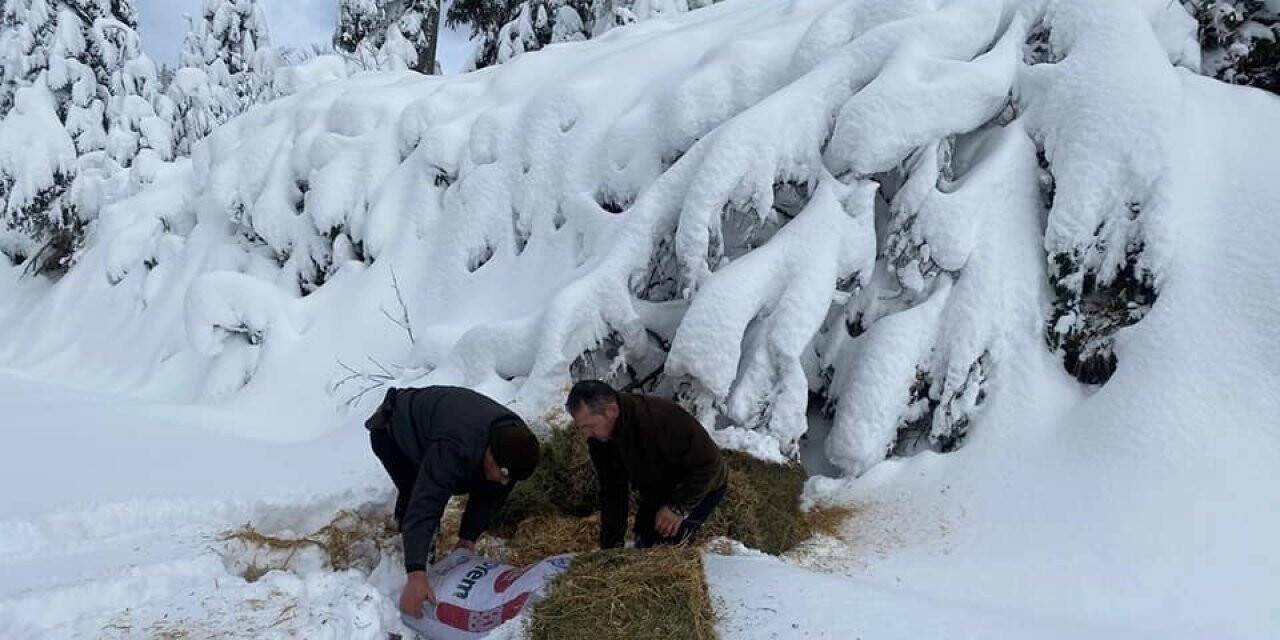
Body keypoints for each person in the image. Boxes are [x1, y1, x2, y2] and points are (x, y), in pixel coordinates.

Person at [365, 385, 540, 618]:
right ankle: (411, 559)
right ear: (489, 453)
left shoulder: (514, 442)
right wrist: (416, 573)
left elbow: (491, 494)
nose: (503, 480)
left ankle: (420, 549)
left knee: (489, 483)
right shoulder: (454, 447)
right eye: (503, 473)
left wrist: (467, 539)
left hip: (442, 427)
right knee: (414, 490)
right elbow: (426, 501)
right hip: (392, 431)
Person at [565, 380, 728, 550]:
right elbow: (612, 490)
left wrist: (677, 508)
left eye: (590, 426)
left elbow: (709, 464)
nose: (586, 434)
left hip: (700, 485)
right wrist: (611, 546)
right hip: (658, 485)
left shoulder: (660, 418)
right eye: (582, 427)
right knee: (643, 541)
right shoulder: (599, 438)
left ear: (611, 410)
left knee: (663, 549)